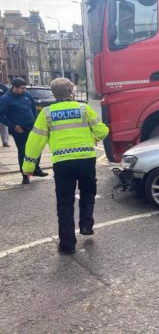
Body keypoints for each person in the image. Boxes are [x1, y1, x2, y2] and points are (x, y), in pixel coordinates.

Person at [23, 78, 109, 255]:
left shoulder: (46, 113)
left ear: (53, 94)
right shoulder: (84, 109)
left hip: (62, 163)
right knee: (88, 192)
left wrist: (28, 167)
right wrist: (94, 138)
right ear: (71, 92)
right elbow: (102, 131)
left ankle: (67, 244)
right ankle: (86, 225)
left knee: (65, 202)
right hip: (86, 159)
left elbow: (34, 141)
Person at [0, 78, 47, 182]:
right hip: (19, 130)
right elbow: (1, 115)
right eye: (22, 88)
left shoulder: (27, 95)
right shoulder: (5, 99)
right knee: (23, 152)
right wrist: (13, 126)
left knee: (36, 149)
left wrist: (35, 121)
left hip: (32, 128)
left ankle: (36, 169)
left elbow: (33, 108)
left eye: (25, 88)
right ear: (14, 88)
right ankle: (25, 176)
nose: (24, 90)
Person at [0, 83, 10, 147]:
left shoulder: (2, 86)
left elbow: (8, 95)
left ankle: (5, 142)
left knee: (4, 126)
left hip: (2, 110)